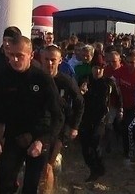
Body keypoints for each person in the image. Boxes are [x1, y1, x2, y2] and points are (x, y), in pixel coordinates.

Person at [0, 36, 64, 194]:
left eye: (20, 55)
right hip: (13, 136)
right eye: (11, 55)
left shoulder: (43, 79)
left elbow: (58, 116)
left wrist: (43, 141)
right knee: (3, 183)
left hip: (38, 137)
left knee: (31, 186)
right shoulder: (3, 77)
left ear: (31, 55)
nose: (15, 59)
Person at [39, 45, 84, 192]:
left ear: (60, 61)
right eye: (46, 59)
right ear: (41, 59)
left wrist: (74, 127)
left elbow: (80, 103)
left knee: (48, 165)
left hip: (60, 128)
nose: (49, 63)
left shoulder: (67, 81)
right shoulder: (35, 78)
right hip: (39, 127)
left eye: (53, 60)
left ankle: (49, 189)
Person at [79, 53, 121, 182]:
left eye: (100, 68)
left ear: (104, 69)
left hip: (101, 118)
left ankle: (99, 168)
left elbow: (118, 97)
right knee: (85, 148)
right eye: (95, 68)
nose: (97, 71)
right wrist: (81, 91)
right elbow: (76, 96)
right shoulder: (85, 80)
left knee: (96, 143)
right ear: (91, 68)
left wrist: (120, 110)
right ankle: (94, 168)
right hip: (85, 117)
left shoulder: (109, 82)